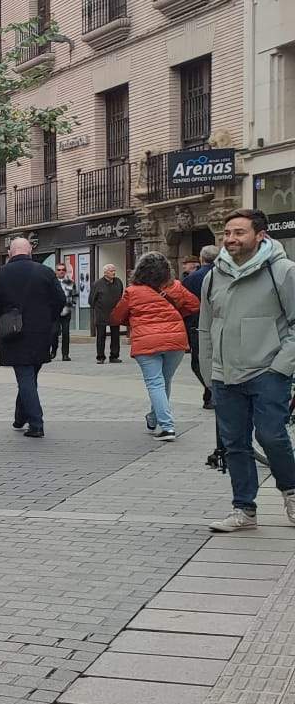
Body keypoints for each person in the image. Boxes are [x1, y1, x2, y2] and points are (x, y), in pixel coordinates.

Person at [201, 209, 295, 531]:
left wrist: (281, 367)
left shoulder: (281, 271)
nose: (231, 239)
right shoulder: (214, 274)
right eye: (227, 233)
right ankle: (244, 510)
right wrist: (208, 370)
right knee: (234, 444)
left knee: (271, 435)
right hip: (225, 376)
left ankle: (291, 492)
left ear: (260, 235)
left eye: (239, 232)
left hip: (268, 372)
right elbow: (205, 327)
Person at [110, 253, 199, 442]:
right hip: (175, 340)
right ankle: (153, 418)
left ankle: (167, 427)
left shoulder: (132, 291)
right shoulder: (175, 286)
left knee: (155, 383)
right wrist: (176, 314)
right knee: (164, 382)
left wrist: (134, 320)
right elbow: (194, 305)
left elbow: (116, 317)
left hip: (146, 342)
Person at [0, 237, 69, 438]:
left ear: (10, 253)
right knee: (30, 376)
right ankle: (20, 416)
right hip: (41, 332)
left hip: (14, 331)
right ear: (30, 251)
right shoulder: (45, 272)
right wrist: (49, 319)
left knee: (25, 377)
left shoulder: (0, 274)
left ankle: (36, 423)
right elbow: (60, 300)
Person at [183, 244, 215, 409]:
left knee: (199, 361)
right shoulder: (225, 274)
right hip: (219, 323)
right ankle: (210, 395)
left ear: (202, 260)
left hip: (197, 324)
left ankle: (211, 392)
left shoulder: (192, 278)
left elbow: (181, 304)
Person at [90, 263, 125, 364]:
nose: (113, 272)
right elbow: (92, 299)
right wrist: (97, 309)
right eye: (111, 271)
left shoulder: (118, 282)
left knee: (115, 335)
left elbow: (121, 295)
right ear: (105, 273)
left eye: (114, 270)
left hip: (115, 313)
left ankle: (114, 356)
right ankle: (100, 357)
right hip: (102, 313)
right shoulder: (98, 284)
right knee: (101, 336)